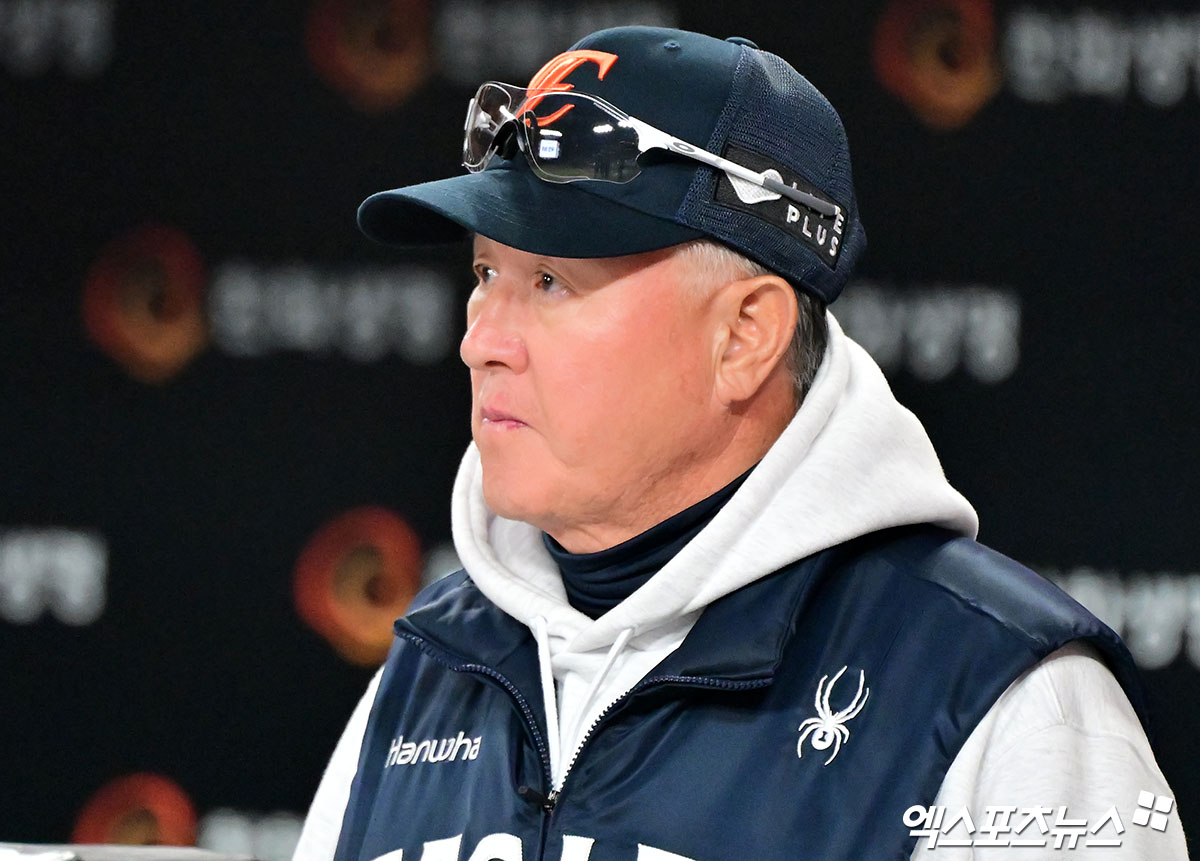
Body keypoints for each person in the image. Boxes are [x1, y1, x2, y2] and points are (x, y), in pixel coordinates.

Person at [294, 25, 1187, 861]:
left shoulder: (998, 700)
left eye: (551, 281)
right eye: (486, 272)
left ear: (745, 338)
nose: (480, 338)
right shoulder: (428, 670)